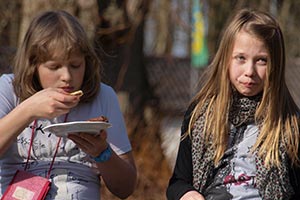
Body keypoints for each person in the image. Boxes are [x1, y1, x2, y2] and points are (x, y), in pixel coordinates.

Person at [0, 10, 137, 199]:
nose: (67, 77)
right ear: (33, 66)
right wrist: (28, 110)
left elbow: (126, 188)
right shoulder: (9, 88)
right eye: (54, 67)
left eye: (75, 65)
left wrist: (102, 152)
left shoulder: (103, 96)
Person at [166, 8, 300, 200]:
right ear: (226, 60)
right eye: (241, 58)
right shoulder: (200, 116)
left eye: (261, 60)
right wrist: (187, 194)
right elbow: (177, 183)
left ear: (275, 66)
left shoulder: (289, 125)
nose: (249, 71)